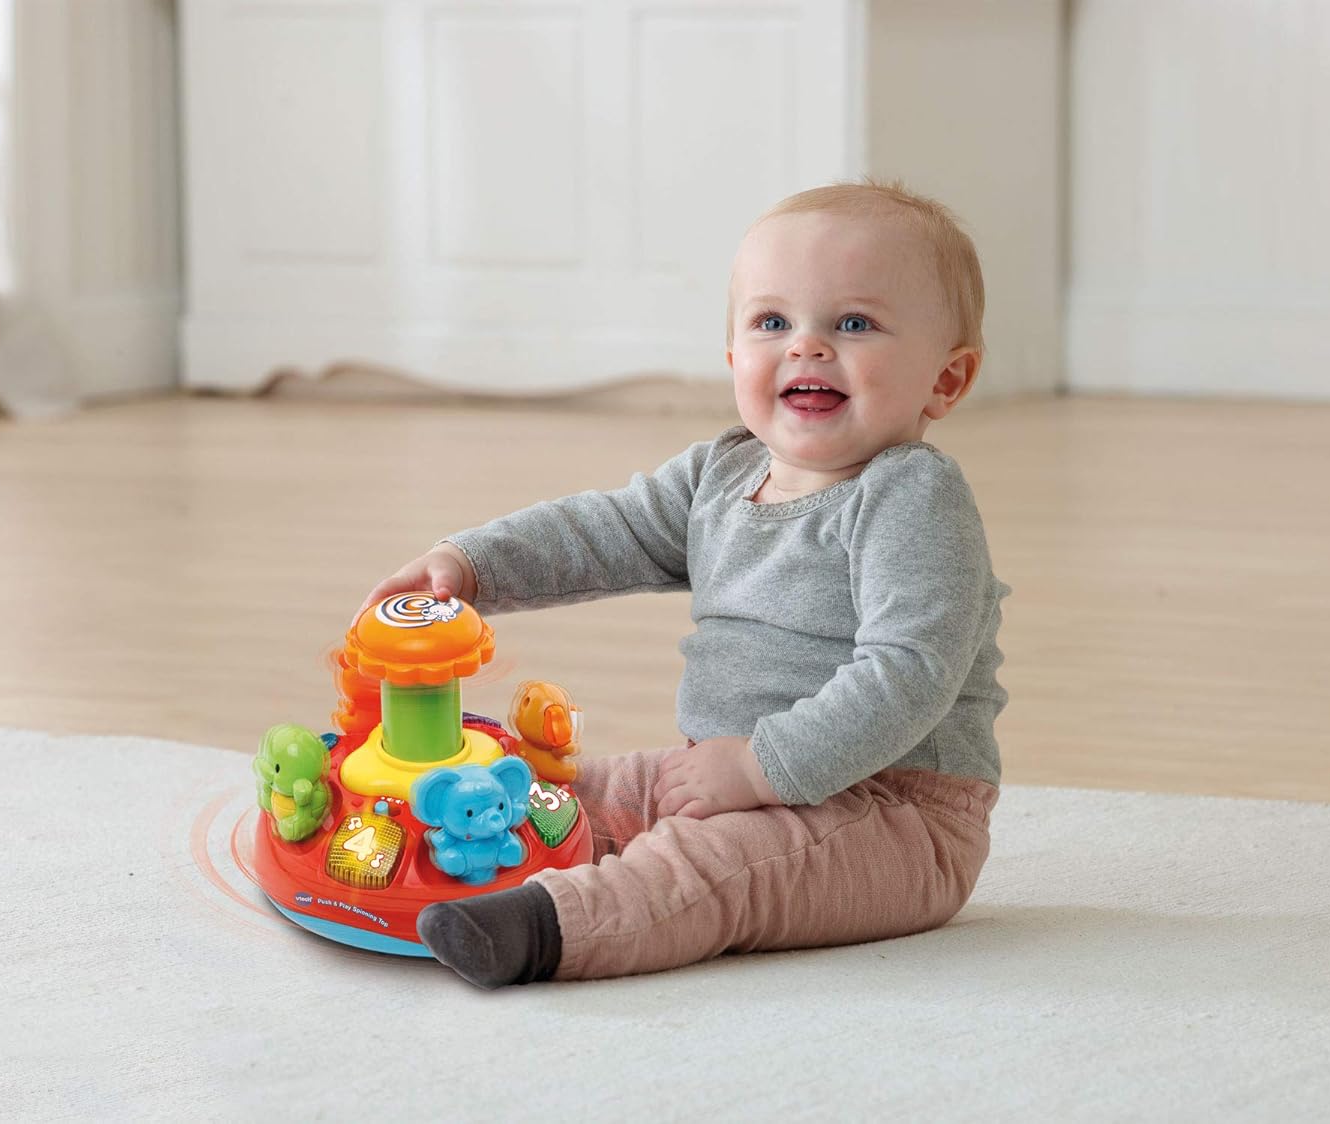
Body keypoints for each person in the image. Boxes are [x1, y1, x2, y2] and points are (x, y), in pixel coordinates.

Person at [358, 180, 1010, 989]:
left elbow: (910, 673)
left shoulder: (912, 495)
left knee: (711, 867)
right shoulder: (722, 473)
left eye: (853, 323)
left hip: (893, 815)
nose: (806, 347)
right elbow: (604, 531)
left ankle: (545, 930)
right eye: (772, 322)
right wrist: (471, 564)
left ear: (947, 380)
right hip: (730, 772)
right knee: (561, 794)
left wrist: (759, 769)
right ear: (735, 357)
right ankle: (435, 858)